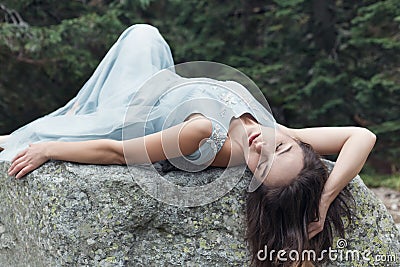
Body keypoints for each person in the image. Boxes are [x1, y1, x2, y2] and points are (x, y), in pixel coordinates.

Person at [0, 24, 377, 266]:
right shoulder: (281, 133)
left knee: (141, 35)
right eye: (281, 149)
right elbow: (362, 137)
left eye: (260, 164)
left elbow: (117, 153)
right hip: (164, 81)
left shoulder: (203, 136)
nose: (262, 146)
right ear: (299, 148)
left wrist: (49, 151)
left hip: (132, 107)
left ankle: (55, 127)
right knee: (147, 35)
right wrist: (325, 201)